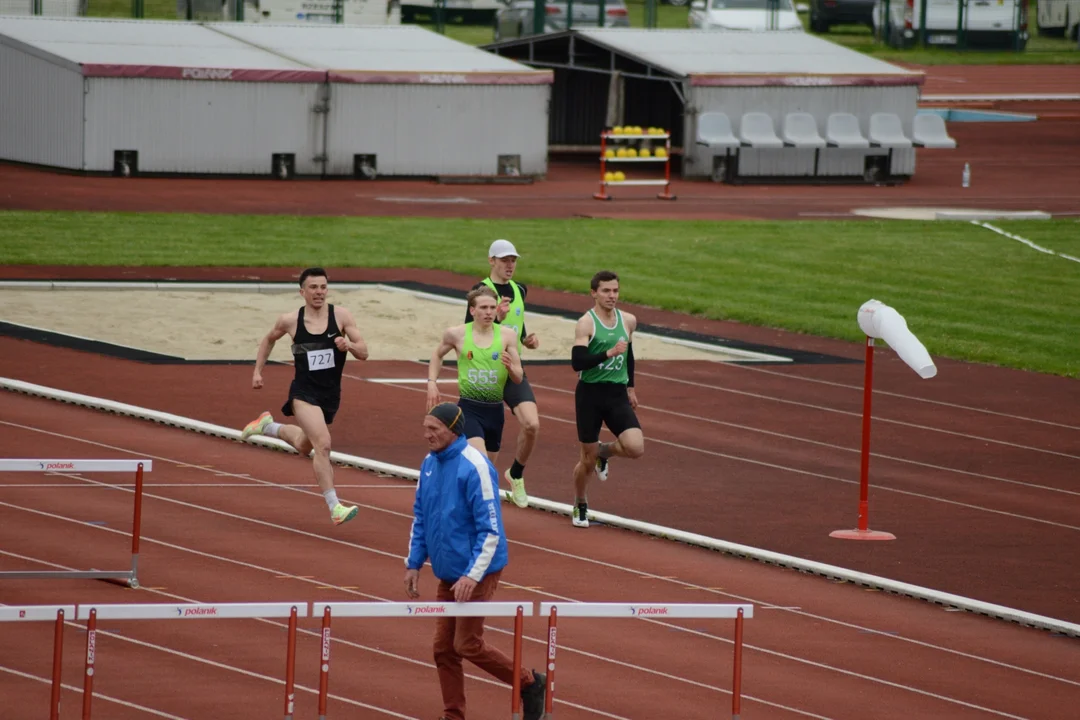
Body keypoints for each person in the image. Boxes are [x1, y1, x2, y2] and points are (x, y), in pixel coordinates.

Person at [405, 402, 546, 720]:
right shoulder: (429, 465)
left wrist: (471, 575)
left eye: (433, 429)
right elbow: (422, 517)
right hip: (449, 574)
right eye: (425, 427)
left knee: (466, 643)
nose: (426, 434)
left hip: (479, 571)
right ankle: (453, 714)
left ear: (453, 431)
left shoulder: (476, 466)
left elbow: (491, 530)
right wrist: (414, 563)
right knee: (443, 649)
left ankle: (529, 684)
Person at [240, 267, 369, 526]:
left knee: (303, 444)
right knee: (323, 444)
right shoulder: (290, 321)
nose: (319, 292)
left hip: (330, 395)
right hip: (303, 392)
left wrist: (350, 346)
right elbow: (268, 340)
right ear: (302, 292)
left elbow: (364, 352)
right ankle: (335, 507)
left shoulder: (341, 316)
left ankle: (268, 425)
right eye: (313, 287)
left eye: (323, 287)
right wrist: (257, 371)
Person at [463, 239, 541, 509]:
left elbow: (516, 324)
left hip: (512, 369)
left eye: (513, 260)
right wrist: (495, 317)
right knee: (483, 447)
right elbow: (467, 332)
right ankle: (472, 491)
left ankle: (516, 474)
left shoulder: (520, 289)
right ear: (491, 261)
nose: (510, 265)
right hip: (484, 374)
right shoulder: (480, 291)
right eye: (504, 260)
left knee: (532, 425)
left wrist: (525, 338)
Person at [427, 286, 524, 493]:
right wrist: (432, 382)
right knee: (482, 466)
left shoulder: (507, 336)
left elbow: (518, 377)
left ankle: (457, 494)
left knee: (486, 471)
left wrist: (510, 367)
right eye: (483, 308)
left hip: (495, 411)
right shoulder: (457, 334)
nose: (489, 312)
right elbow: (437, 354)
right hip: (469, 410)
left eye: (492, 307)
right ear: (472, 310)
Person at [569, 270, 645, 528]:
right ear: (594, 293)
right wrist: (608, 353)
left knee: (635, 447)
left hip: (616, 394)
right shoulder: (586, 323)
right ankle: (580, 502)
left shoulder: (628, 321)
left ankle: (605, 451)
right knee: (586, 461)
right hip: (590, 395)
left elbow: (629, 355)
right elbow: (577, 362)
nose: (612, 296)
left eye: (615, 291)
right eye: (606, 291)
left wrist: (631, 388)